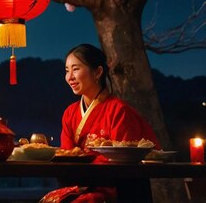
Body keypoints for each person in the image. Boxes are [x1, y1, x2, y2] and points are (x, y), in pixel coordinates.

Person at [41, 43, 161, 203]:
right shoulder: (70, 112)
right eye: (67, 70)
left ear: (98, 72)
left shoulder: (119, 111)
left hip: (115, 189)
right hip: (80, 186)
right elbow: (67, 156)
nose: (69, 77)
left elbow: (125, 161)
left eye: (76, 69)